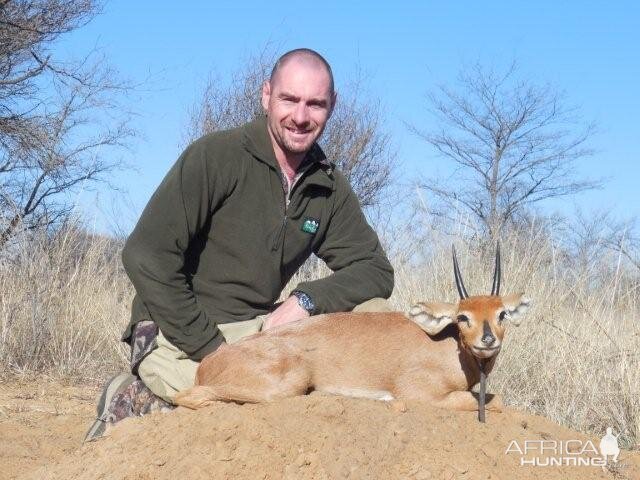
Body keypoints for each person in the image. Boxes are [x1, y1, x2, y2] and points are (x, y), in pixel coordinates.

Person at [84, 48, 394, 441]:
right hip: (178, 332)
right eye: (289, 99)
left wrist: (306, 301)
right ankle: (134, 398)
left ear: (332, 106)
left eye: (315, 104)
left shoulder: (328, 187)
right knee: (264, 404)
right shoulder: (215, 156)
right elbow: (145, 255)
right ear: (266, 95)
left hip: (259, 334)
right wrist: (215, 351)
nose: (300, 117)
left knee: (375, 312)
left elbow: (376, 270)